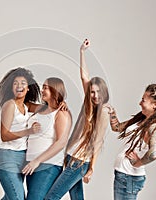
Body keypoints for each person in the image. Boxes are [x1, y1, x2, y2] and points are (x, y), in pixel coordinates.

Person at [45, 39, 110, 200]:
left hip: (80, 161)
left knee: (50, 197)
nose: (95, 95)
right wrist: (82, 52)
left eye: (97, 92)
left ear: (104, 93)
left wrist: (91, 169)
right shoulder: (87, 105)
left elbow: (98, 142)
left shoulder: (103, 112)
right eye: (92, 92)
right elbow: (84, 76)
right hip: (70, 157)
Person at [109, 84, 156, 200]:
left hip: (128, 177)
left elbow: (154, 153)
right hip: (124, 176)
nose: (140, 103)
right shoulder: (142, 119)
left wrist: (138, 162)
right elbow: (117, 127)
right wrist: (112, 113)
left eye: (143, 100)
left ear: (155, 104)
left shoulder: (154, 127)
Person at [0, 67, 42, 200]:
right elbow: (4, 135)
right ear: (11, 88)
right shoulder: (9, 105)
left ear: (28, 88)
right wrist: (29, 131)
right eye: (15, 83)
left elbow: (48, 108)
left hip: (22, 158)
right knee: (18, 197)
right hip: (8, 157)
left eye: (23, 83)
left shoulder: (26, 106)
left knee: (10, 197)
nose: (19, 86)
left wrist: (61, 103)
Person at [22, 77, 72, 200]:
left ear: (55, 90)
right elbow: (22, 103)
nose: (42, 90)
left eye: (45, 88)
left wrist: (37, 161)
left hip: (48, 165)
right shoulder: (41, 109)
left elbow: (61, 142)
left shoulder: (61, 113)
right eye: (42, 87)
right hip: (31, 163)